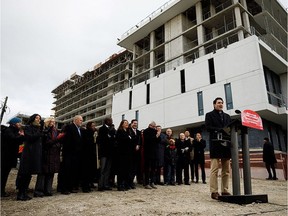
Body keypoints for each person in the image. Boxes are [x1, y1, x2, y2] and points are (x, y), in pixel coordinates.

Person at [205, 97, 231, 200]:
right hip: (215, 145)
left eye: (222, 103)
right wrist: (220, 130)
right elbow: (208, 127)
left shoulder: (227, 116)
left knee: (226, 170)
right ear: (214, 104)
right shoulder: (209, 115)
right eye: (218, 103)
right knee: (214, 170)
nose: (220, 104)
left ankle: (225, 190)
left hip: (226, 145)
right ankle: (214, 191)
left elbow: (230, 129)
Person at [17, 114, 43, 201]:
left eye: (39, 118)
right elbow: (30, 138)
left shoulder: (38, 128)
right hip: (28, 153)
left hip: (35, 154)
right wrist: (39, 133)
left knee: (29, 174)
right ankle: (20, 194)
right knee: (24, 174)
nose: (38, 119)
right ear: (32, 119)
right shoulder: (28, 127)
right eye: (36, 118)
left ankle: (24, 193)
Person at [34, 117, 61, 197]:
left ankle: (48, 190)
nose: (53, 123)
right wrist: (56, 140)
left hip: (54, 153)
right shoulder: (43, 130)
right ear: (48, 122)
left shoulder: (56, 131)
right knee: (43, 173)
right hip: (46, 153)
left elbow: (57, 141)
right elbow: (45, 142)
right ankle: (39, 190)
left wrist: (57, 142)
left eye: (54, 122)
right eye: (51, 122)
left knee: (51, 173)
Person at [1, 118, 25, 197]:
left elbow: (18, 141)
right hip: (5, 156)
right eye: (19, 123)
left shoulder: (14, 131)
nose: (20, 124)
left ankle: (2, 190)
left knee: (5, 174)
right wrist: (21, 136)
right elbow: (13, 139)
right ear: (14, 123)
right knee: (3, 174)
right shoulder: (9, 131)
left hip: (10, 156)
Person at [60, 115, 83, 194]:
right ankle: (64, 188)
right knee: (67, 171)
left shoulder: (79, 129)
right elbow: (67, 141)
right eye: (80, 120)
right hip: (69, 153)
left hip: (77, 154)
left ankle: (70, 187)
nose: (81, 122)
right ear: (75, 120)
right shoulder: (70, 127)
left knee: (73, 171)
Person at [97, 117, 116, 191]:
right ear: (106, 121)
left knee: (108, 169)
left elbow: (113, 139)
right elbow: (103, 140)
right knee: (102, 169)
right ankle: (100, 185)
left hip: (110, 153)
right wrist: (110, 137)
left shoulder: (112, 129)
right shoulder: (102, 129)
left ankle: (106, 184)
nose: (111, 121)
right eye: (110, 120)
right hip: (104, 153)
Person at [143, 121, 161, 189]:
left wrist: (158, 135)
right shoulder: (146, 131)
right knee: (147, 168)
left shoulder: (155, 131)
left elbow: (158, 141)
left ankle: (152, 182)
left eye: (155, 126)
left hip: (154, 152)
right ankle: (146, 183)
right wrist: (156, 136)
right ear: (149, 125)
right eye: (153, 126)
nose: (154, 128)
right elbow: (148, 140)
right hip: (148, 152)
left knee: (154, 168)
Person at [116, 119, 133, 191]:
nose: (127, 124)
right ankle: (120, 185)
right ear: (122, 124)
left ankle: (125, 184)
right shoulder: (120, 131)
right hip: (121, 154)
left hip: (128, 154)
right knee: (121, 170)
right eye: (125, 123)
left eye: (127, 123)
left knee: (126, 170)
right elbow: (121, 140)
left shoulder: (128, 132)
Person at [81, 122, 97, 192]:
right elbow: (87, 142)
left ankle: (89, 185)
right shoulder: (86, 132)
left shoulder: (94, 133)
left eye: (94, 126)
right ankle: (85, 187)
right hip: (86, 155)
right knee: (86, 172)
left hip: (92, 154)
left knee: (90, 171)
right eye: (92, 126)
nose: (94, 127)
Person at [128, 119, 142, 188]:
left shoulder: (139, 132)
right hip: (130, 152)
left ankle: (131, 182)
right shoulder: (128, 131)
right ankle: (128, 182)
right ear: (131, 124)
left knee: (134, 169)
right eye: (134, 123)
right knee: (129, 168)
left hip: (137, 153)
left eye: (136, 123)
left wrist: (138, 145)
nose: (135, 124)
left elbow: (140, 141)